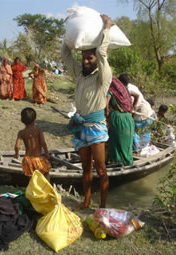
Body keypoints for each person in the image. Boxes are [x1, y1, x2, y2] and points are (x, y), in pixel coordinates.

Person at [61, 14, 114, 209]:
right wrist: (67, 36)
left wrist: (106, 29)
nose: (85, 61)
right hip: (81, 127)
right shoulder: (79, 75)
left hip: (96, 128)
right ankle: (86, 201)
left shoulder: (103, 77)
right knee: (85, 168)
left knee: (100, 169)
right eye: (84, 58)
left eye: (89, 58)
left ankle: (102, 207)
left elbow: (102, 54)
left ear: (95, 60)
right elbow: (65, 56)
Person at [106, 76, 138, 166]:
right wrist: (132, 107)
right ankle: (127, 161)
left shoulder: (111, 90)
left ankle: (115, 161)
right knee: (127, 142)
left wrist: (107, 114)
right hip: (128, 117)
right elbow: (137, 95)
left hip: (117, 117)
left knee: (114, 140)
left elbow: (105, 104)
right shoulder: (126, 91)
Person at [118, 73, 154, 154]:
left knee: (133, 131)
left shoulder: (126, 90)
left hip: (142, 112)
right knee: (143, 133)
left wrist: (132, 116)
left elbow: (133, 103)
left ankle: (136, 151)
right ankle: (142, 148)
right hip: (148, 111)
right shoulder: (131, 86)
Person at [14, 107, 51, 181]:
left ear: (22, 120)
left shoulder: (21, 133)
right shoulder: (38, 130)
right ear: (34, 120)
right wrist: (47, 153)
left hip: (27, 159)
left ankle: (32, 190)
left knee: (31, 178)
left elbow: (17, 146)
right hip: (38, 158)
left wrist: (16, 154)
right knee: (46, 172)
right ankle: (47, 187)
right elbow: (43, 143)